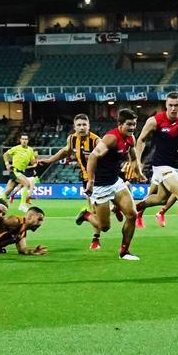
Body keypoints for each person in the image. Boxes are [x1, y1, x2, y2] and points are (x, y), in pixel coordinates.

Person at [131, 92, 178, 248]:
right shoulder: (155, 121)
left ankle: (133, 208)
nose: (173, 108)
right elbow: (141, 140)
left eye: (176, 105)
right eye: (170, 105)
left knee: (161, 199)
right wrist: (137, 162)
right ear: (166, 105)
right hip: (161, 165)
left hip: (176, 165)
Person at [76, 109, 141, 260]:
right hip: (100, 186)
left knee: (132, 215)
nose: (132, 128)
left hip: (116, 182)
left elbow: (133, 157)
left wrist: (139, 172)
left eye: (134, 124)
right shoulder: (111, 138)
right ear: (120, 124)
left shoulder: (131, 138)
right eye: (129, 124)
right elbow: (93, 156)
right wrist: (91, 181)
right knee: (104, 227)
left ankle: (124, 252)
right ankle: (86, 215)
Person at [38, 114, 102, 248]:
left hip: (103, 179)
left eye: (84, 125)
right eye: (78, 125)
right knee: (97, 214)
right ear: (74, 127)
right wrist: (49, 160)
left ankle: (88, 215)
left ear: (89, 126)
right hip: (88, 180)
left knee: (105, 215)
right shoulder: (72, 139)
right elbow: (65, 151)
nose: (82, 127)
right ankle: (95, 239)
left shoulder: (96, 141)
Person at [0, 134, 40, 210]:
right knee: (27, 184)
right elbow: (5, 154)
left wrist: (36, 158)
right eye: (23, 139)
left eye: (26, 139)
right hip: (15, 170)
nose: (24, 141)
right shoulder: (16, 148)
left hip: (21, 172)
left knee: (8, 191)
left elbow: (32, 162)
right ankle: (22, 205)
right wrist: (7, 164)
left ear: (28, 141)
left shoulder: (30, 150)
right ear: (20, 140)